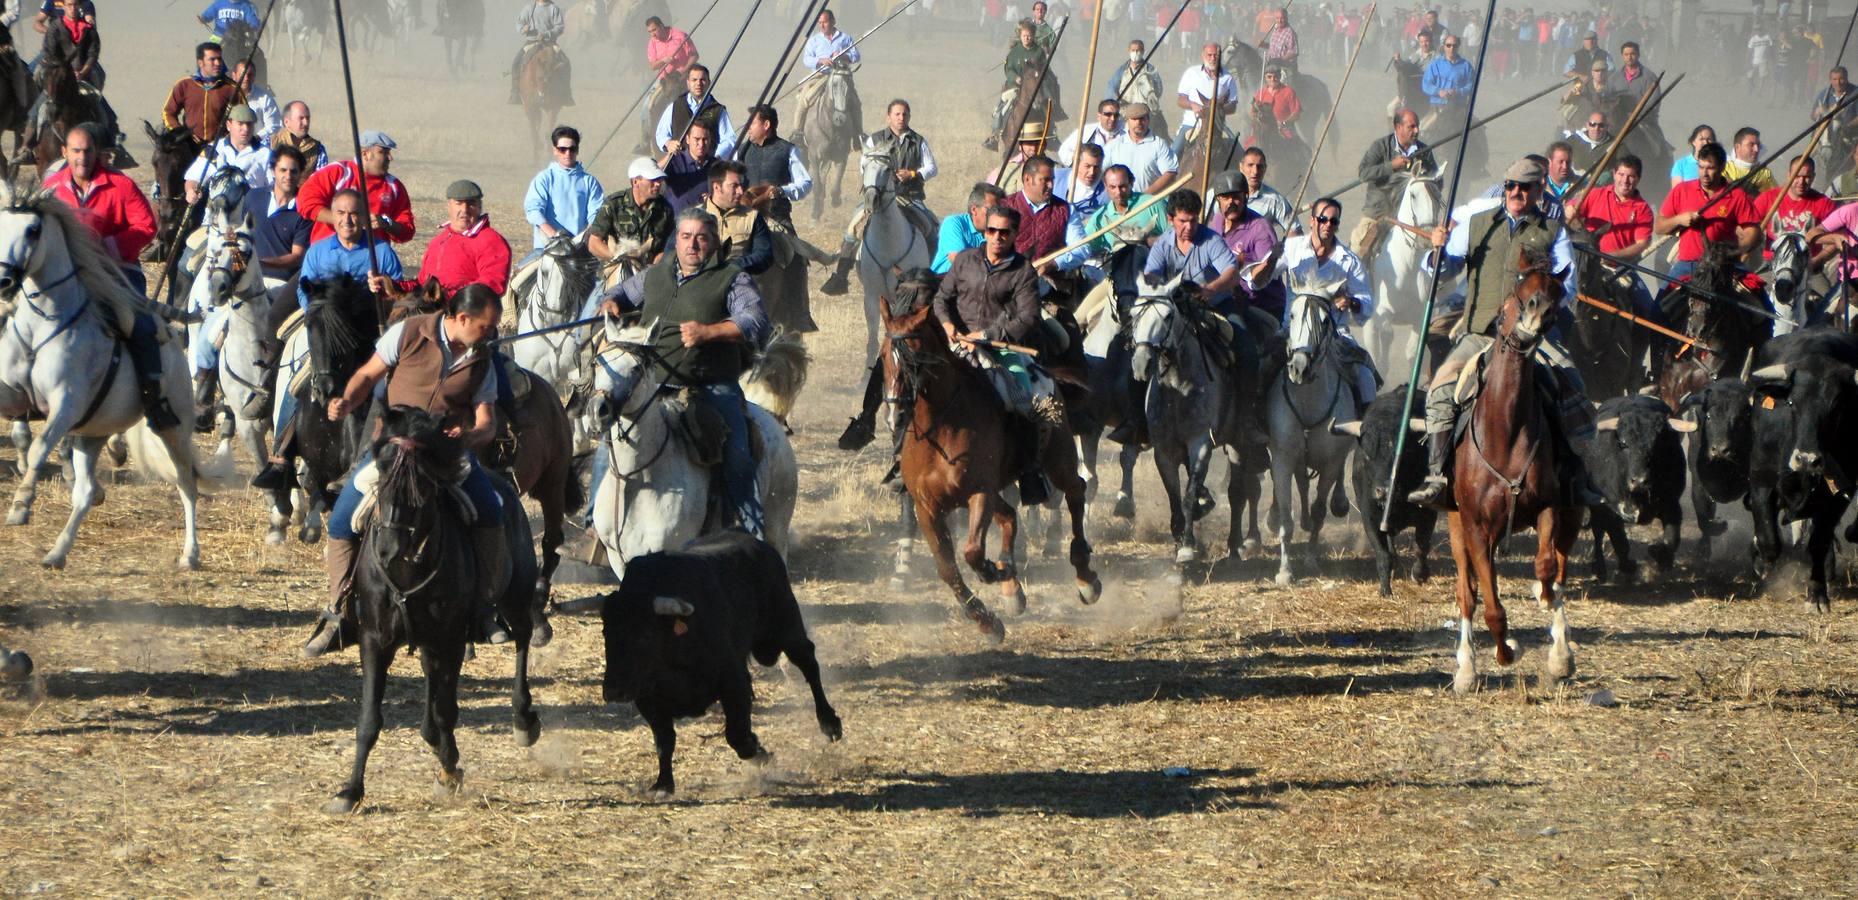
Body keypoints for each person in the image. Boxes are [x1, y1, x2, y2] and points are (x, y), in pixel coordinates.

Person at [301, 284, 512, 657]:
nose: (491, 333)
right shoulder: (409, 332)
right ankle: (339, 611)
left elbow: (487, 421)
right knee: (341, 520)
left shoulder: (484, 359)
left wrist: (470, 435)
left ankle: (482, 608)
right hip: (394, 448)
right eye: (486, 326)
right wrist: (346, 401)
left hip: (448, 454)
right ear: (462, 318)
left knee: (491, 510)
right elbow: (368, 375)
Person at [1409, 157, 1600, 509]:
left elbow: (1567, 286)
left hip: (1535, 336)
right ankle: (1437, 476)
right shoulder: (1476, 224)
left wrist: (1539, 301)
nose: (1515, 192)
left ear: (1538, 191)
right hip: (1480, 333)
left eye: (1523, 187)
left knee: (1576, 389)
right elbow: (1445, 269)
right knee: (1439, 390)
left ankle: (1580, 477)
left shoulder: (1553, 232)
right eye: (1510, 185)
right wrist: (1436, 252)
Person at [594, 208, 771, 537]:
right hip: (652, 382)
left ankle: (753, 534)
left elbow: (755, 321)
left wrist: (709, 332)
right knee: (610, 442)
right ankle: (596, 528)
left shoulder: (732, 277)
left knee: (737, 456)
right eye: (686, 237)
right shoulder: (657, 273)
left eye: (701, 238)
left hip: (710, 386)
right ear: (676, 240)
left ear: (713, 242)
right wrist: (611, 301)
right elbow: (621, 292)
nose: (693, 245)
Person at [250, 190, 407, 491]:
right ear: (332, 217)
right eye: (341, 213)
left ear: (363, 217)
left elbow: (399, 294)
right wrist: (315, 316)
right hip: (325, 329)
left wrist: (384, 288)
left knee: (386, 386)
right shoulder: (318, 251)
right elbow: (303, 291)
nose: (348, 220)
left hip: (366, 334)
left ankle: (383, 449)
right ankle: (281, 452)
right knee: (297, 376)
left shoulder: (381, 252)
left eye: (354, 214)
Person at [932, 204, 1060, 501]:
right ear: (984, 231)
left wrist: (987, 335)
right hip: (957, 346)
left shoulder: (1023, 271)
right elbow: (941, 298)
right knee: (917, 390)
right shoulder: (964, 261)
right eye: (991, 231)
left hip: (1001, 351)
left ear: (1015, 234)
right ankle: (906, 464)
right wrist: (948, 324)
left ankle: (1029, 471)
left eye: (1004, 232)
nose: (997, 237)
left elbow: (1027, 318)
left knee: (1026, 401)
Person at [1243, 195, 1379, 416]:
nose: (1327, 225)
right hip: (1291, 330)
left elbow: (1366, 305)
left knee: (1365, 375)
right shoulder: (1291, 248)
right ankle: (1252, 421)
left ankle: (1366, 433)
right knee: (1261, 367)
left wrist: (1351, 302)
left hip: (1334, 333)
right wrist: (1270, 260)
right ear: (1312, 221)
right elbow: (1256, 282)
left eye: (1333, 221)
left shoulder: (1349, 261)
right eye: (1323, 219)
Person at [823, 99, 939, 293]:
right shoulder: (874, 140)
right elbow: (863, 166)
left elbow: (932, 167)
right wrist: (884, 176)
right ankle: (841, 276)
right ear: (888, 117)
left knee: (931, 228)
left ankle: (932, 274)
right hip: (879, 198)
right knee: (853, 228)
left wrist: (913, 174)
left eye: (905, 114)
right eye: (897, 114)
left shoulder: (919, 141)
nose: (901, 118)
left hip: (910, 197)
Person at [1571, 154, 1660, 326]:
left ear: (1638, 179)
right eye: (1621, 174)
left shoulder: (1643, 209)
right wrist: (1570, 212)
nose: (1625, 181)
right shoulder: (1595, 194)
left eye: (1631, 176)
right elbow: (1572, 211)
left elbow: (1642, 243)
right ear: (1614, 174)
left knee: (1648, 310)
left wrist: (1613, 256)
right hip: (1585, 264)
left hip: (1619, 269)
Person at [1657, 141, 1760, 281]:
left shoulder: (1737, 195)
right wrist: (1679, 219)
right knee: (1661, 301)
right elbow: (1659, 226)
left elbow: (1753, 232)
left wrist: (1735, 250)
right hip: (1689, 264)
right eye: (1701, 167)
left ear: (1722, 167)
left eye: (1710, 168)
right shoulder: (1682, 190)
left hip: (1725, 265)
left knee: (1758, 295)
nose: (1704, 174)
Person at [296, 129, 413, 245]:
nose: (390, 158)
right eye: (383, 152)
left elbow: (407, 231)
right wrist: (342, 220)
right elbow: (305, 202)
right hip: (329, 254)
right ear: (365, 154)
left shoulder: (394, 187)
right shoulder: (337, 172)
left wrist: (386, 223)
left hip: (371, 259)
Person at [1354, 107, 1436, 269]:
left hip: (1414, 215)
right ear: (1398, 127)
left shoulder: (1424, 151)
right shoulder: (1380, 146)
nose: (1417, 130)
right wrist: (1391, 166)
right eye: (1411, 127)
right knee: (1358, 252)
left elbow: (1436, 180)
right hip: (1378, 213)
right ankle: (1352, 289)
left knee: (1438, 248)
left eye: (1417, 126)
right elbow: (1363, 173)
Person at [415, 179, 514, 298]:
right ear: (449, 206)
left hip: (468, 311)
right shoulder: (438, 242)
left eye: (471, 203)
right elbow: (422, 282)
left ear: (479, 207)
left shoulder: (491, 241)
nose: (465, 209)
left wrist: (448, 296)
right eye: (459, 203)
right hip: (432, 307)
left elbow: (492, 285)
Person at [520, 124, 604, 262]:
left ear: (577, 150)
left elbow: (596, 216)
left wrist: (580, 239)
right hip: (546, 249)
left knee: (604, 282)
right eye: (562, 149)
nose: (567, 153)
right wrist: (556, 236)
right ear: (555, 150)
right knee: (518, 279)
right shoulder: (544, 178)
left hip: (579, 251)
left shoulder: (590, 182)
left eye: (572, 149)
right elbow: (533, 211)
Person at [1210, 170, 1285, 318]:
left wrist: (1267, 263)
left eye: (1236, 197)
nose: (1231, 202)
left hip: (1260, 306)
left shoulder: (1260, 229)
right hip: (1225, 300)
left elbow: (1264, 278)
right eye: (1226, 197)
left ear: (1245, 197)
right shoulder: (1217, 221)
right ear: (1218, 199)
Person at [587, 156, 674, 277]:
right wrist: (620, 259)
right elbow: (593, 243)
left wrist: (655, 265)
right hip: (613, 274)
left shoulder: (665, 210)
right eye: (652, 179)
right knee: (595, 296)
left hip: (648, 276)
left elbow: (669, 245)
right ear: (635, 182)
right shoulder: (614, 204)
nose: (658, 183)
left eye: (659, 179)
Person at [1754, 156, 1838, 262]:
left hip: (1807, 263)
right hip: (1773, 263)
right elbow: (1748, 228)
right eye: (1797, 176)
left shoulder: (1824, 203)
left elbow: (1839, 237)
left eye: (1807, 177)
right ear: (1789, 175)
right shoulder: (1768, 198)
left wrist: (1817, 260)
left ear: (1813, 177)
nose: (1801, 182)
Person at [1421, 33, 1483, 175]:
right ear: (1444, 46)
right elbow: (1426, 85)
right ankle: (1420, 163)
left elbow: (1471, 85)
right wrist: (1439, 91)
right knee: (1422, 130)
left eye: (1454, 45)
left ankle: (1477, 166)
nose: (1451, 48)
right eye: (1448, 45)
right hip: (1437, 108)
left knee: (1477, 132)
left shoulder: (1466, 66)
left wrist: (1458, 92)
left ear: (1458, 47)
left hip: (1458, 109)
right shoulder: (1435, 65)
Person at [794, 8, 860, 140]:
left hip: (840, 75)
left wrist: (843, 56)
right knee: (804, 99)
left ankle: (857, 135)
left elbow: (856, 55)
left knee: (855, 102)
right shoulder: (814, 40)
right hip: (821, 76)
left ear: (833, 21)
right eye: (819, 23)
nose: (822, 25)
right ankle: (798, 133)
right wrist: (820, 61)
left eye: (825, 22)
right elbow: (807, 59)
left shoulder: (845, 38)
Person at [183, 104, 269, 202]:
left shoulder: (265, 154)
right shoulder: (213, 150)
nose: (245, 129)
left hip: (251, 212)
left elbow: (273, 187)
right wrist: (191, 191)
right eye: (240, 124)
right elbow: (194, 178)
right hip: (217, 211)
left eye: (249, 124)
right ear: (229, 125)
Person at [701, 160, 773, 276]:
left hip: (738, 282)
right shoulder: (692, 216)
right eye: (734, 186)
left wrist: (732, 266)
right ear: (717, 187)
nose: (740, 191)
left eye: (741, 185)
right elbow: (673, 254)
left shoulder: (753, 217)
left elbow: (764, 256)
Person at [641, 16, 698, 152]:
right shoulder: (652, 42)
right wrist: (663, 60)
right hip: (665, 79)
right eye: (649, 32)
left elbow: (694, 55)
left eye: (654, 30)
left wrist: (684, 70)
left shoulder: (680, 36)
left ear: (661, 25)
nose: (653, 34)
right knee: (646, 107)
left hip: (683, 77)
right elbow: (652, 66)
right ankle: (645, 142)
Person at [161, 41, 236, 143]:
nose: (218, 63)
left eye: (219, 59)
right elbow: (168, 112)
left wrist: (227, 139)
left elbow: (244, 118)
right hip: (189, 147)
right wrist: (181, 133)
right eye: (212, 59)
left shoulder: (231, 88)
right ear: (200, 63)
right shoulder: (184, 85)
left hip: (221, 149)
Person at [655, 64, 735, 159]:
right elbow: (661, 134)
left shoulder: (718, 110)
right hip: (679, 166)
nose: (698, 83)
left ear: (709, 83)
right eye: (694, 80)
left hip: (707, 167)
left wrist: (716, 158)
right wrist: (668, 143)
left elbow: (729, 140)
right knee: (651, 102)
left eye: (702, 80)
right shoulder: (675, 106)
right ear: (688, 83)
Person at [1173, 42, 1239, 157]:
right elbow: (1180, 100)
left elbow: (1233, 106)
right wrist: (1193, 105)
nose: (1213, 58)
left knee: (1239, 153)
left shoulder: (1228, 77)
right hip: (1191, 124)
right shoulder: (1191, 73)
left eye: (1216, 55)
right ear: (1203, 55)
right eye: (1209, 55)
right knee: (1174, 153)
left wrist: (1218, 110)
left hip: (1218, 126)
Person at [509, 0, 573, 107]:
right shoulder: (529, 8)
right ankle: (515, 93)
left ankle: (566, 94)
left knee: (566, 62)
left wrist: (547, 34)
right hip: (532, 42)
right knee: (516, 63)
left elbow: (560, 27)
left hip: (549, 43)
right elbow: (519, 22)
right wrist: (522, 29)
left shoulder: (554, 8)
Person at [932, 182, 1006, 274]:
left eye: (999, 210)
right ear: (974, 210)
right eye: (992, 210)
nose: (996, 215)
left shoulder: (996, 233)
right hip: (942, 282)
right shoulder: (954, 223)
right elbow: (957, 259)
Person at [1103, 102, 1177, 193]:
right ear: (1127, 121)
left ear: (1148, 120)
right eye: (1134, 119)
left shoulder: (1159, 144)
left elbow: (1169, 173)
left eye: (1142, 119)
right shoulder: (1114, 145)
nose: (1138, 123)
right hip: (1120, 200)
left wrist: (1145, 197)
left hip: (1151, 202)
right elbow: (1101, 171)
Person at [1108, 39, 1168, 138]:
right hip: (1126, 109)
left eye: (1139, 50)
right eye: (1133, 50)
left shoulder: (1151, 70)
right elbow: (1111, 88)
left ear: (1143, 51)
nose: (1136, 53)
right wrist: (1115, 101)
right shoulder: (1122, 71)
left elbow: (1159, 88)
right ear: (1129, 51)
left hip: (1146, 109)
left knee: (1161, 130)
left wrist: (1152, 97)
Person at [658, 118, 719, 214]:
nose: (701, 144)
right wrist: (668, 157)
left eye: (705, 139)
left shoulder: (716, 165)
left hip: (704, 223)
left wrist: (713, 199)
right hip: (676, 224)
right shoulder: (675, 161)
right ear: (687, 139)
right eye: (697, 139)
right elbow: (651, 174)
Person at [1241, 147, 1298, 235]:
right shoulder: (1223, 196)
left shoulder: (1275, 201)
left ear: (1265, 169)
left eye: (1259, 166)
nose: (1255, 171)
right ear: (1241, 167)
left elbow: (1295, 233)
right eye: (1250, 165)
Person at [1058, 100, 1124, 168]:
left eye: (1116, 115)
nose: (1112, 119)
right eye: (1108, 114)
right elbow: (1063, 151)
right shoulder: (1087, 131)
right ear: (1099, 116)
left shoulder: (1125, 133)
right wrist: (1079, 161)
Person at [1247, 66, 1302, 146]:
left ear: (1280, 76)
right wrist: (1257, 120)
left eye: (1275, 76)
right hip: (1263, 131)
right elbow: (1252, 113)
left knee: (1294, 148)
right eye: (1269, 77)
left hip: (1284, 129)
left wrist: (1284, 122)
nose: (1272, 79)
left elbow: (1296, 113)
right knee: (1248, 149)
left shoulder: (1288, 92)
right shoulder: (1260, 94)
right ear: (1265, 77)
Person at [230, 60, 280, 144]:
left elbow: (274, 125)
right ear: (234, 76)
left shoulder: (265, 98)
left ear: (254, 77)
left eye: (250, 75)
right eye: (243, 74)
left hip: (257, 147)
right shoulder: (225, 97)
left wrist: (255, 138)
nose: (246, 78)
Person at [272, 100, 328, 171]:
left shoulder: (318, 149)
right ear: (286, 122)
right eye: (301, 118)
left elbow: (321, 179)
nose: (306, 123)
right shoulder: (270, 144)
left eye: (307, 118)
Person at [1055, 142, 1106, 218]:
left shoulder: (1106, 193)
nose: (1092, 172)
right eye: (1087, 166)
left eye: (1096, 167)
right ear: (1076, 163)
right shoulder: (1055, 178)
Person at [1724, 127, 1775, 196]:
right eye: (1751, 145)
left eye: (1758, 145)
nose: (1756, 149)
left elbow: (1774, 199)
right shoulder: (1723, 169)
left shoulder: (1764, 173)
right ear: (1737, 147)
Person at [1565, 112, 1610, 181]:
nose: (1596, 128)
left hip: (1599, 187)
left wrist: (1611, 173)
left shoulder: (1615, 145)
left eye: (1601, 125)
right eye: (1593, 124)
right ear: (1587, 125)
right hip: (1571, 184)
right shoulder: (1572, 141)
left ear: (1607, 127)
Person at [1670, 124, 1716, 188]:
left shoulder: (1719, 164)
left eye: (1709, 139)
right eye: (1701, 139)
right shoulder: (1681, 164)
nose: (1706, 142)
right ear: (1693, 141)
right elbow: (1677, 192)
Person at [1542, 141, 1578, 219]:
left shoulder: (1583, 185)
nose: (1565, 166)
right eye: (1560, 162)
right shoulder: (1539, 186)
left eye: (1568, 162)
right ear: (1550, 162)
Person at [1260, 6, 1300, 77]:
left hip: (1285, 68)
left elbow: (1294, 52)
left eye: (1282, 18)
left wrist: (1278, 60)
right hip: (1272, 64)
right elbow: (1275, 47)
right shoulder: (1276, 30)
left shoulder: (1290, 33)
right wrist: (1264, 45)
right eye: (1277, 18)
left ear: (1286, 18)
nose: (1279, 20)